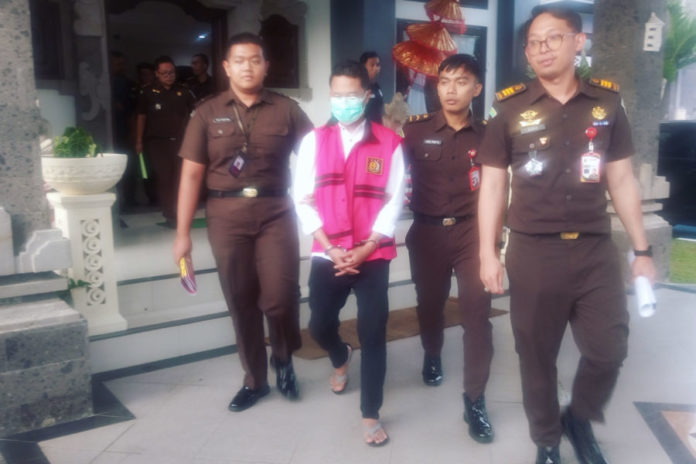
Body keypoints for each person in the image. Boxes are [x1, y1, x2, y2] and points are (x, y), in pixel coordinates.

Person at [477, 6, 656, 464]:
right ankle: (547, 438)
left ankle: (579, 417)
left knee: (609, 348)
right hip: (533, 251)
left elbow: (622, 180)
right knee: (536, 355)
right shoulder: (508, 108)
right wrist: (488, 253)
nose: (542, 49)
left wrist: (642, 250)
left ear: (579, 41)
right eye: (534, 43)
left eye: (553, 38)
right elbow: (493, 186)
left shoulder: (607, 104)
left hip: (595, 250)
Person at [174, 33, 313, 412]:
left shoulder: (287, 110)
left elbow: (319, 159)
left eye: (254, 60)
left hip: (276, 212)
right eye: (239, 60)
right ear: (226, 67)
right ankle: (255, 380)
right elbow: (191, 176)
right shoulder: (206, 112)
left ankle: (283, 357)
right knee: (240, 299)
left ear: (266, 66)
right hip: (226, 216)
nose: (247, 67)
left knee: (280, 297)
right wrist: (183, 235)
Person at [293, 60, 405, 447]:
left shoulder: (389, 143)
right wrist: (330, 247)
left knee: (373, 332)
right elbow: (301, 198)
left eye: (351, 96)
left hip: (373, 254)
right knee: (319, 325)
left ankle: (371, 413)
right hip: (329, 252)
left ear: (367, 96)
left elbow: (394, 200)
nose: (343, 102)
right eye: (337, 96)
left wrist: (368, 246)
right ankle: (340, 356)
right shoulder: (314, 141)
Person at [402, 54, 494, 444]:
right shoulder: (414, 131)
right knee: (430, 304)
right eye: (444, 81)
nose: (451, 89)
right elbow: (389, 177)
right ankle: (433, 351)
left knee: (477, 313)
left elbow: (501, 188)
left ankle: (475, 399)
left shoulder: (489, 134)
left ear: (477, 88)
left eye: (461, 81)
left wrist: (496, 243)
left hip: (473, 234)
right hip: (427, 233)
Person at [135, 56, 195, 225]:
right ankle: (169, 213)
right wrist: (138, 140)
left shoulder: (184, 92)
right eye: (165, 73)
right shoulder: (148, 92)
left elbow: (195, 114)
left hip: (180, 142)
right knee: (164, 176)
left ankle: (180, 210)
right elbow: (141, 117)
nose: (169, 76)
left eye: (172, 72)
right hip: (157, 142)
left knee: (179, 176)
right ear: (157, 74)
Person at [360, 51, 384, 124]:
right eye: (372, 65)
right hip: (366, 127)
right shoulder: (360, 87)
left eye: (378, 65)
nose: (376, 68)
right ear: (363, 67)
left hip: (378, 127)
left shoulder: (377, 87)